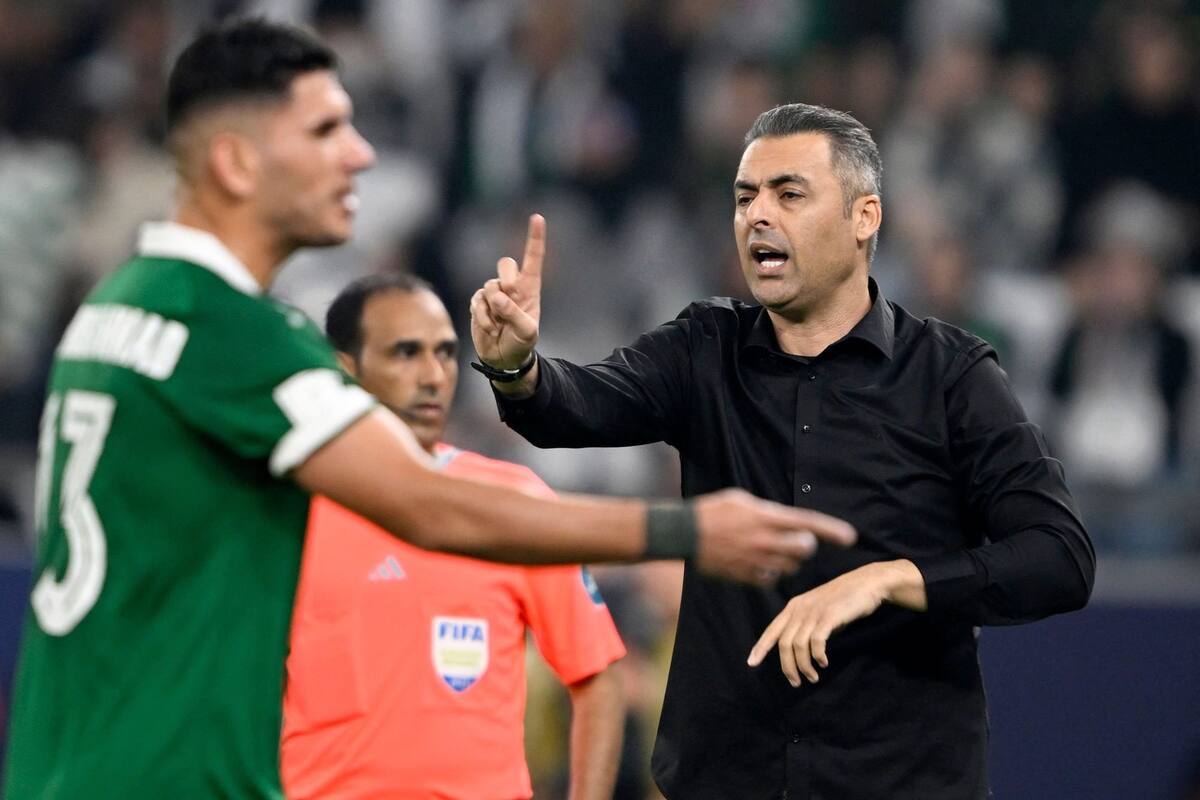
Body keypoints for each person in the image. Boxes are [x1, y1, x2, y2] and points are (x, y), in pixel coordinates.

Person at [1, 23, 858, 800]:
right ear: (235, 163)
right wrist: (688, 532)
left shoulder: (116, 309)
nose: (361, 156)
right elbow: (431, 503)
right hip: (165, 776)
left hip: (70, 762)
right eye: (325, 130)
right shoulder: (225, 332)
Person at [470, 103, 1096, 799]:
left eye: (789, 194)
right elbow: (575, 406)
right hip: (730, 778)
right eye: (745, 198)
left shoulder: (951, 376)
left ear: (865, 218)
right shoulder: (704, 347)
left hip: (901, 780)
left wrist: (887, 580)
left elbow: (1059, 556)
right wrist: (516, 367)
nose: (756, 216)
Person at [281, 274, 627, 799]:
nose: (433, 376)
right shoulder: (282, 513)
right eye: (405, 353)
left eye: (445, 353)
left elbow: (597, 677)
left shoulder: (512, 503)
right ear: (344, 370)